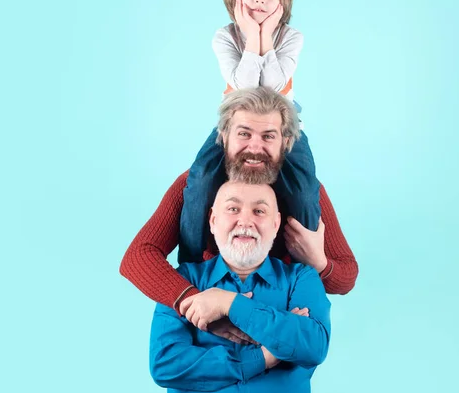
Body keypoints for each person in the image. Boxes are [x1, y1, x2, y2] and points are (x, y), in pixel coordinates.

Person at [120, 87, 358, 328]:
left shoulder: (307, 193)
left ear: (285, 142)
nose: (255, 148)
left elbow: (346, 278)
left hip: (276, 318)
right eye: (244, 134)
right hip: (205, 317)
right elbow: (137, 257)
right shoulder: (190, 186)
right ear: (224, 136)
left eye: (268, 136)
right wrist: (198, 302)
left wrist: (319, 262)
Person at [180, 0, 319, 263]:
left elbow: (272, 88)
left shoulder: (291, 37)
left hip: (282, 124)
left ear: (282, 1)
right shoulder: (224, 37)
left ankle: (302, 266)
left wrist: (265, 36)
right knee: (200, 178)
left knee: (305, 190)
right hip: (236, 123)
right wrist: (250, 35)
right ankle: (191, 263)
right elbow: (244, 88)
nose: (260, 0)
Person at [149, 181, 331, 392]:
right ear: (213, 221)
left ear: (275, 224)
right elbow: (165, 365)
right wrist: (262, 357)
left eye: (259, 211)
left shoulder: (302, 278)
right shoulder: (184, 279)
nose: (245, 221)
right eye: (233, 209)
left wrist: (228, 303)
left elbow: (313, 346)